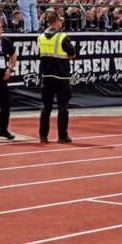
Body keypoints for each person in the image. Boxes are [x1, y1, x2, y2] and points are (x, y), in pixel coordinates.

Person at [37, 10, 78, 144]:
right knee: (63, 108)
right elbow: (72, 54)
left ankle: (43, 136)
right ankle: (62, 136)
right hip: (61, 78)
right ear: (56, 22)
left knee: (46, 107)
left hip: (46, 76)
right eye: (60, 20)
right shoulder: (62, 37)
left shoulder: (41, 37)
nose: (62, 22)